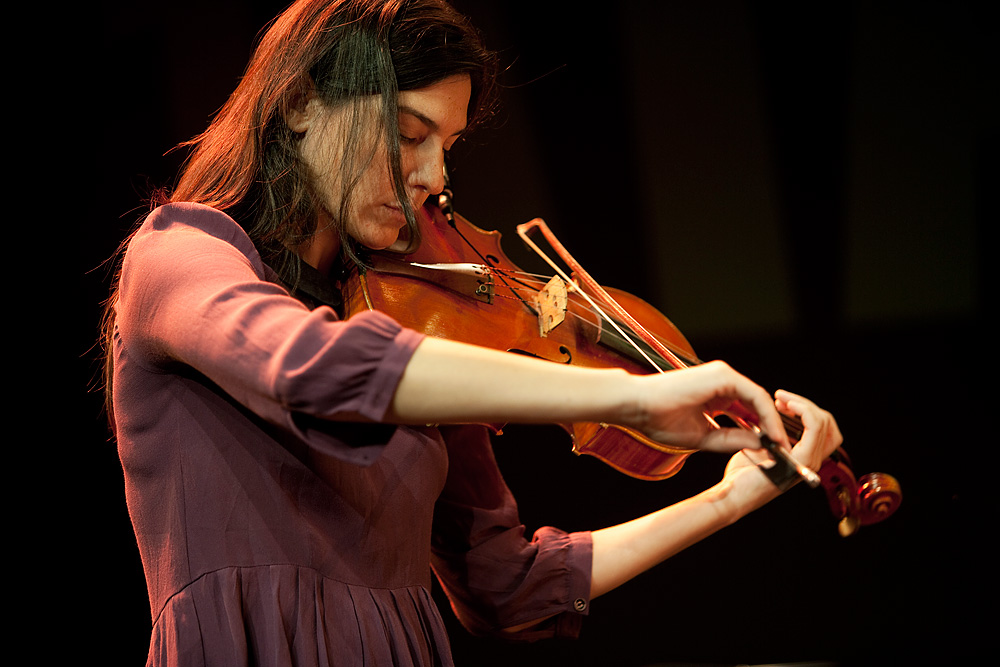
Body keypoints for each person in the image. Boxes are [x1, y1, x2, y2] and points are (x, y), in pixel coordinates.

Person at [105, 1, 843, 665]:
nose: (434, 176)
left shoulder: (401, 318)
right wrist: (622, 397)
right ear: (300, 103)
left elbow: (507, 591)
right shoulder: (179, 254)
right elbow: (312, 366)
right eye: (409, 134)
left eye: (448, 145)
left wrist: (740, 492)